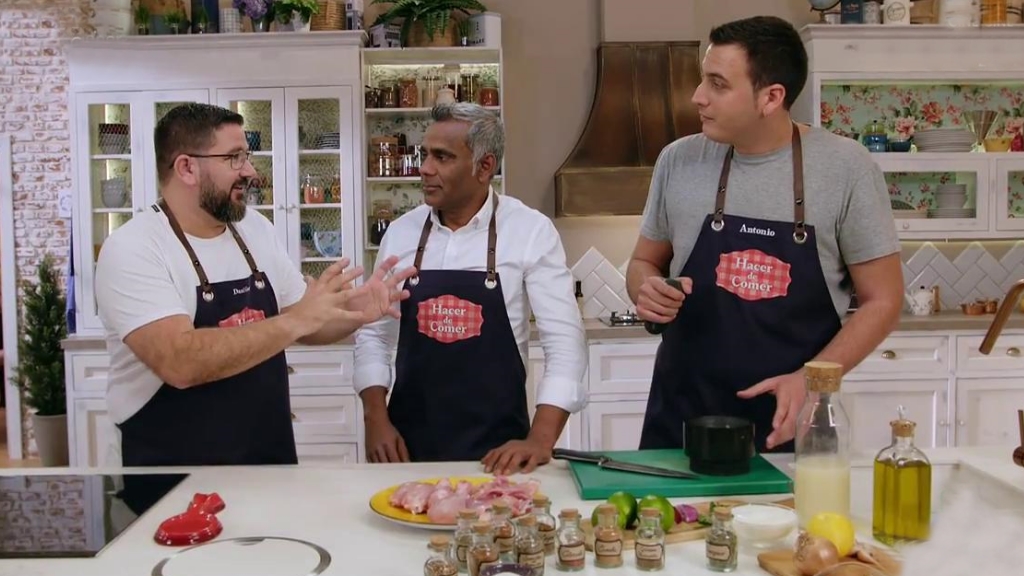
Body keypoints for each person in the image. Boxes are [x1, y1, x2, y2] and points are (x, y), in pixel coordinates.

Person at [627, 16, 903, 453]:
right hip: (681, 418)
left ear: (771, 97)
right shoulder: (678, 161)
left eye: (718, 84)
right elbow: (644, 262)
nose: (698, 96)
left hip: (791, 421)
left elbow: (883, 300)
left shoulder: (846, 169)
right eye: (703, 79)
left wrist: (811, 380)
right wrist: (647, 290)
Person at [95, 103, 415, 467]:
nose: (250, 171)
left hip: (267, 462)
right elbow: (180, 362)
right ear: (186, 168)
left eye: (246, 156)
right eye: (234, 158)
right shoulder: (134, 248)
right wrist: (295, 321)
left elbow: (308, 320)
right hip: (170, 475)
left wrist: (357, 310)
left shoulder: (255, 230)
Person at [354, 103, 587, 474]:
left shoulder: (530, 231)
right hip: (406, 450)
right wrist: (375, 420)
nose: (425, 168)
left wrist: (540, 439)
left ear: (484, 166)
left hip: (500, 456)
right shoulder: (400, 233)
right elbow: (374, 335)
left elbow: (565, 341)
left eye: (442, 157)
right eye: (425, 154)